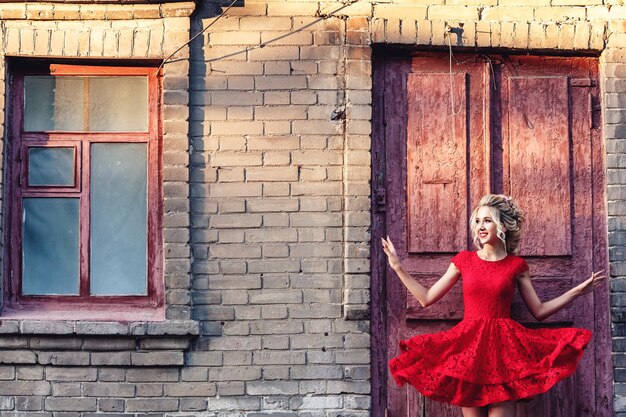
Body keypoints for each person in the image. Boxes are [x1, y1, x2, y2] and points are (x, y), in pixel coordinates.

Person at [381, 194, 606, 417]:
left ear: (503, 226)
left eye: (487, 220)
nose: (481, 226)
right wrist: (398, 266)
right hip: (468, 351)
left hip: (504, 353)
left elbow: (539, 311)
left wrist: (578, 291)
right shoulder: (464, 260)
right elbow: (426, 298)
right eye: (477, 221)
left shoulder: (516, 265)